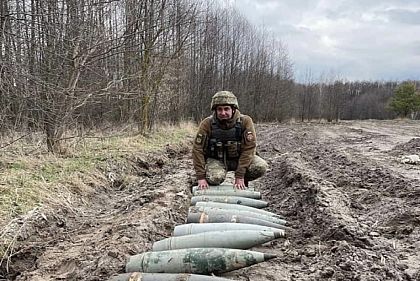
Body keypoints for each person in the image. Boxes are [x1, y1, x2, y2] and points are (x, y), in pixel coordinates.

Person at [192, 91, 268, 190]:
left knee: (260, 167)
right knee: (214, 178)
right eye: (219, 109)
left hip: (239, 159)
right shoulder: (207, 123)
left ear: (233, 109)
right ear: (215, 110)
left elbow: (249, 149)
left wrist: (240, 175)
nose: (223, 113)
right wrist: (201, 177)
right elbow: (197, 149)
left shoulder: (245, 121)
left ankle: (243, 182)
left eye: (226, 109)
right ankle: (202, 182)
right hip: (217, 160)